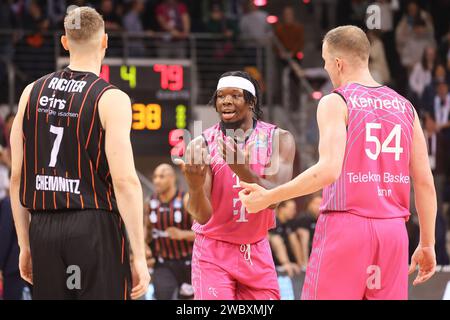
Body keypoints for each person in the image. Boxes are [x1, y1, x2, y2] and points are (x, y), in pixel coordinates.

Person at [239, 25, 437, 300]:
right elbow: (425, 183)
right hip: (393, 232)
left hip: (347, 228)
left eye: (325, 61)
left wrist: (270, 197)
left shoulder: (337, 101)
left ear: (338, 63)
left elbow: (328, 170)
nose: (326, 68)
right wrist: (428, 242)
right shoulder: (406, 106)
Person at [9, 6, 150, 300]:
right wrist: (139, 254)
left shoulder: (30, 92)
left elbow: (17, 178)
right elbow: (125, 182)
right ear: (105, 42)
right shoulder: (111, 98)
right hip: (93, 225)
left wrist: (24, 244)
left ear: (64, 41)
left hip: (43, 227)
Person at [175, 70, 296, 300]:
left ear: (251, 101)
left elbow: (274, 200)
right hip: (213, 250)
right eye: (221, 96)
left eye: (235, 95)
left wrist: (241, 168)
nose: (226, 101)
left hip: (256, 247)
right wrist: (194, 185)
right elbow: (201, 216)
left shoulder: (279, 138)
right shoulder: (202, 143)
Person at [144, 163, 194, 300]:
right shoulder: (150, 202)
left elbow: (202, 234)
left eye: (161, 176)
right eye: (155, 177)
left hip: (187, 262)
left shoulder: (185, 199)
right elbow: (145, 231)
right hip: (163, 263)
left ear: (172, 178)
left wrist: (182, 234)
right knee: (162, 296)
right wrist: (143, 247)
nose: (156, 180)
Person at [269, 200, 302, 277]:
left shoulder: (288, 223)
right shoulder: (274, 223)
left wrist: (301, 264)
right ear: (281, 209)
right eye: (291, 209)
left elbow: (295, 244)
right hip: (276, 266)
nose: (294, 212)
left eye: (294, 209)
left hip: (290, 264)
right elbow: (277, 242)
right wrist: (286, 263)